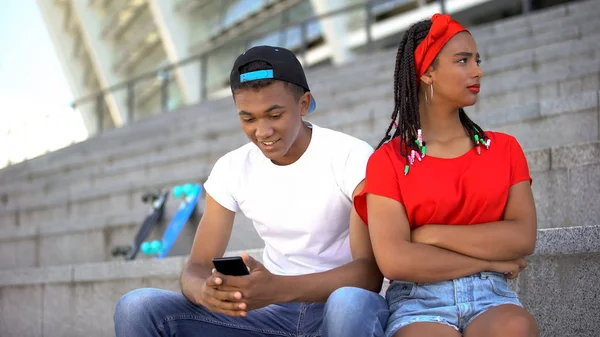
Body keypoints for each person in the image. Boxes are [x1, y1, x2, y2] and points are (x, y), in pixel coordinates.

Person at [114, 45, 388, 337]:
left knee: (349, 304)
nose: (263, 131)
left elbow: (367, 275)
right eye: (248, 118)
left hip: (336, 310)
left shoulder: (351, 156)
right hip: (267, 317)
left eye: (274, 115)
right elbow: (196, 268)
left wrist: (276, 289)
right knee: (136, 306)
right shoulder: (232, 168)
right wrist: (206, 292)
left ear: (304, 103)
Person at [353, 14, 539, 337]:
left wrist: (429, 234)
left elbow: (522, 237)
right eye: (463, 61)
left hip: (492, 297)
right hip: (417, 302)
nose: (478, 70)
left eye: (476, 60)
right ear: (427, 73)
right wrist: (490, 262)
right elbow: (396, 261)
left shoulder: (505, 149)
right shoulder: (387, 161)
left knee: (516, 328)